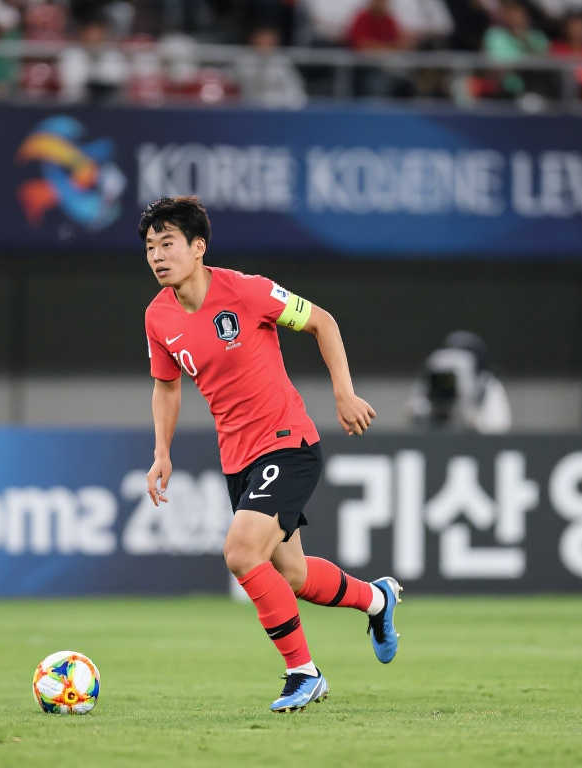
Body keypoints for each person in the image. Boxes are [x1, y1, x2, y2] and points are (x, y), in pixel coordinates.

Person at [140, 197, 401, 713]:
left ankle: (304, 672)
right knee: (293, 575)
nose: (158, 256)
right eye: (150, 247)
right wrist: (161, 452)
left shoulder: (247, 291)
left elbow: (323, 322)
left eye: (168, 244)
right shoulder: (158, 316)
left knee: (241, 553)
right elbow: (166, 387)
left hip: (287, 441)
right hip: (237, 459)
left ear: (198, 247)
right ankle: (377, 599)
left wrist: (344, 394)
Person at [406, 330, 512, 433]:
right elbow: (414, 421)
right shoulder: (431, 374)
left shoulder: (487, 385)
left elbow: (497, 433)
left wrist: (472, 417)